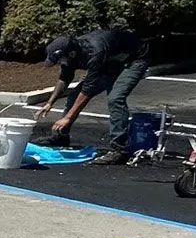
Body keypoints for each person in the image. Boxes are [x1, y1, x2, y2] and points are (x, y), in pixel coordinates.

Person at [37, 28, 151, 165]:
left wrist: (68, 118)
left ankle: (119, 150)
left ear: (71, 54)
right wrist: (50, 102)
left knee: (115, 98)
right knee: (73, 95)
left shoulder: (94, 52)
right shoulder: (71, 53)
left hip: (134, 59)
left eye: (60, 60)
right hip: (111, 61)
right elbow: (65, 77)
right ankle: (61, 137)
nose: (59, 64)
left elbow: (87, 91)